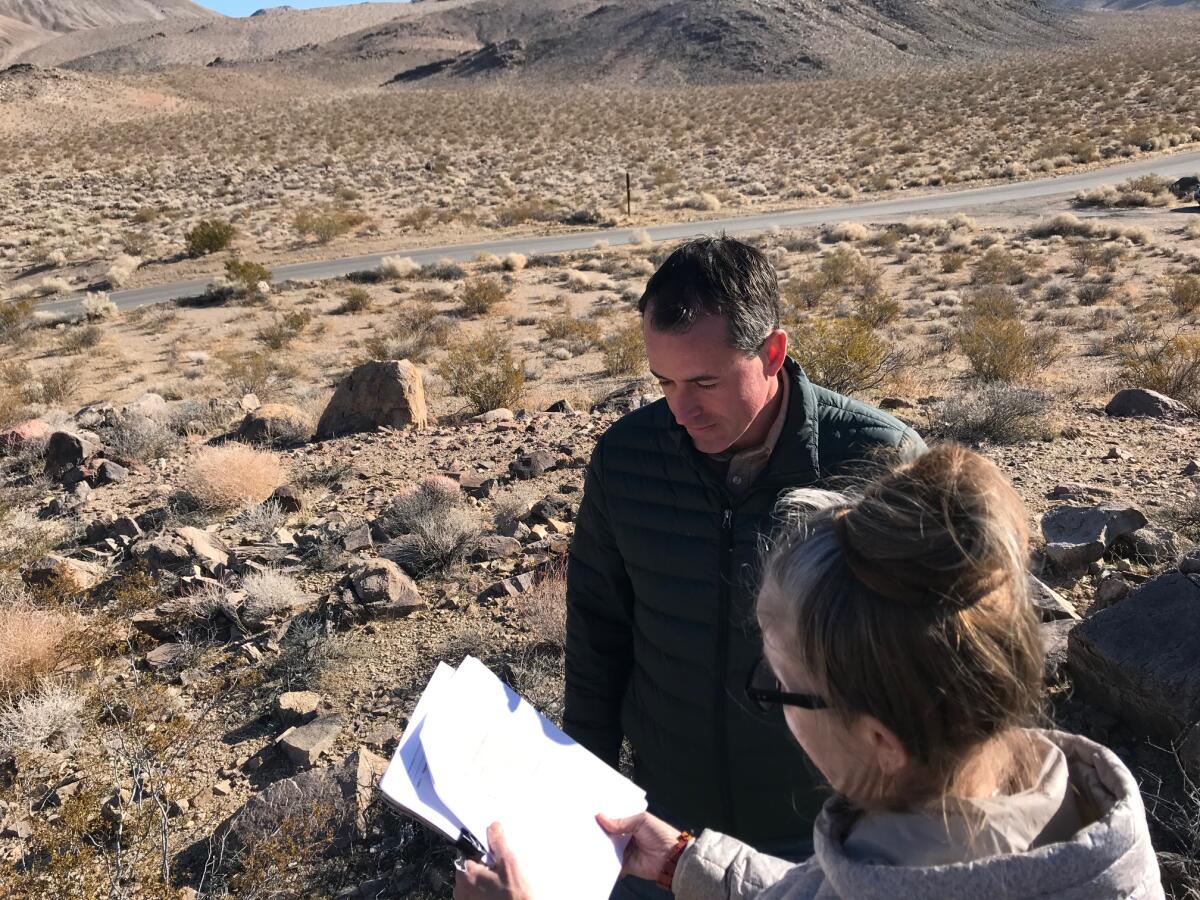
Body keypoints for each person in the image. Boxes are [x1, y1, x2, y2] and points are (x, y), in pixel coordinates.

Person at [454, 445, 1164, 900]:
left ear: (883, 741)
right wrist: (687, 864)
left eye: (779, 687)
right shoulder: (1054, 801)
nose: (769, 701)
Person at [563, 236, 925, 896]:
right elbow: (597, 635)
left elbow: (926, 672)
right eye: (663, 382)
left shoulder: (879, 461)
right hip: (660, 830)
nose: (682, 409)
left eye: (704, 380)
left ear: (773, 353)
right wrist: (578, 793)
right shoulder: (626, 459)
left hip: (824, 840)